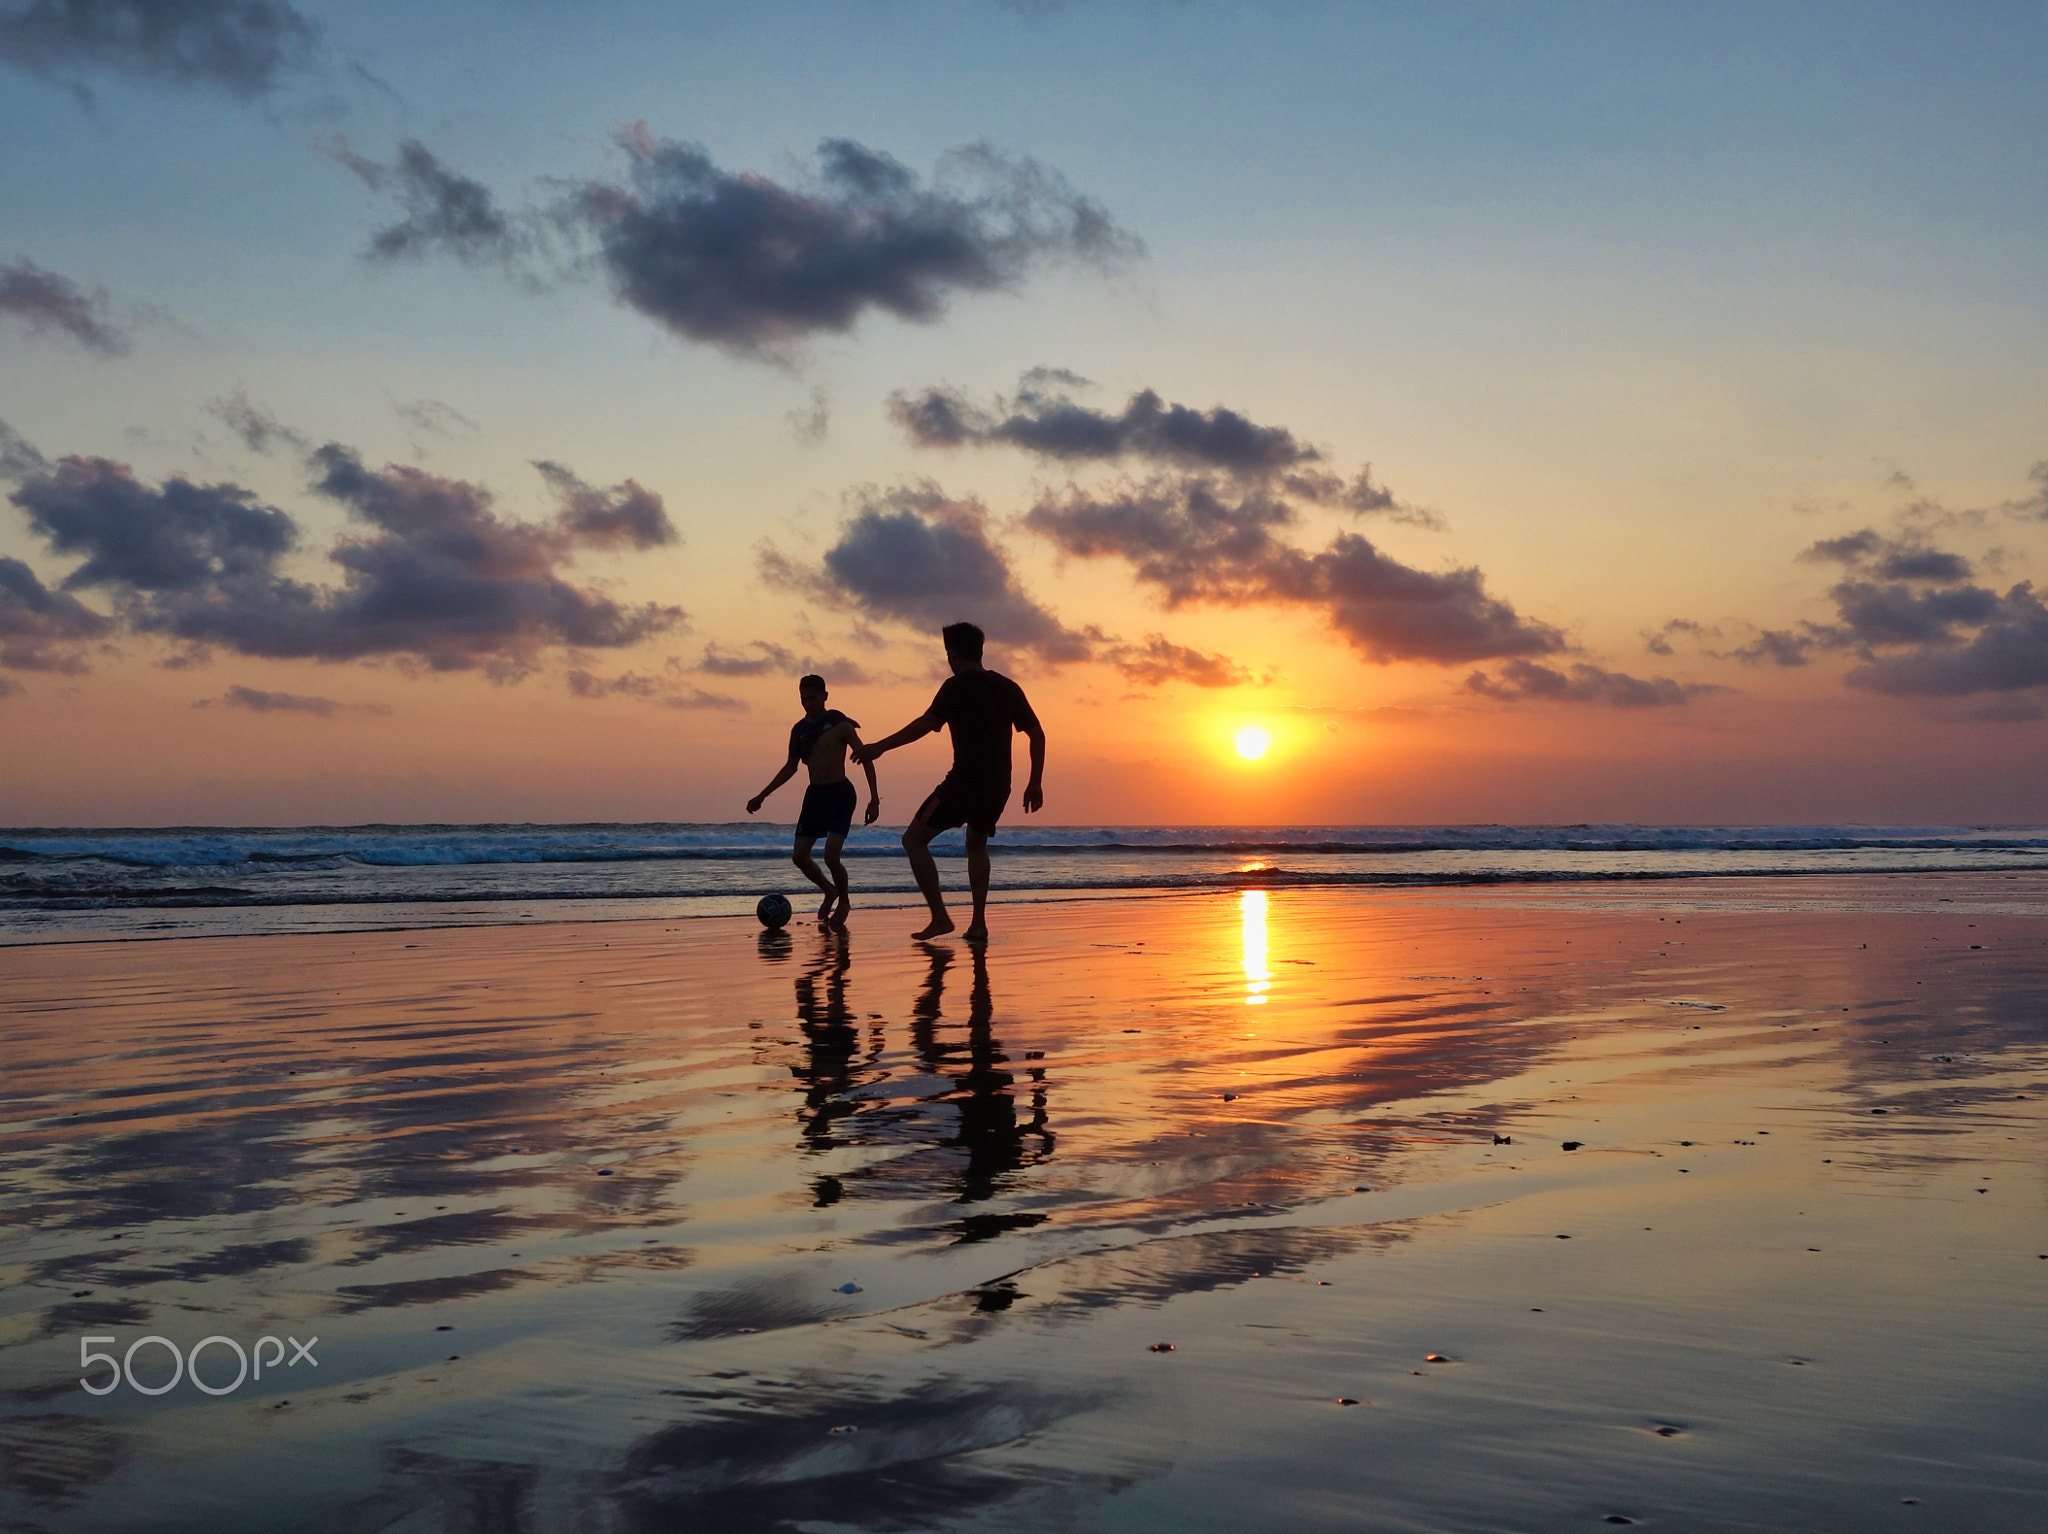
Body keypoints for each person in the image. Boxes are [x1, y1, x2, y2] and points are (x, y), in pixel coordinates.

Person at [853, 622, 1044, 942]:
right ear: (981, 651)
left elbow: (927, 723)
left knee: (913, 841)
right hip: (999, 785)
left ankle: (940, 917)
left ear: (951, 655)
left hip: (963, 783)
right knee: (976, 845)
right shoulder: (1008, 687)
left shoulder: (956, 685)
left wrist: (880, 747)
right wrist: (1035, 782)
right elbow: (1036, 733)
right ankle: (978, 923)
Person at [747, 675, 879, 927]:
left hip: (840, 794)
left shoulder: (840, 725)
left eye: (813, 698)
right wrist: (762, 795)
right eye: (804, 699)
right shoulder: (799, 730)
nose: (809, 704)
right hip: (815, 795)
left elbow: (866, 759)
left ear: (825, 696)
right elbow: (790, 767)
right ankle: (830, 890)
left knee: (831, 857)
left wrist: (874, 799)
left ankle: (845, 902)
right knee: (799, 856)